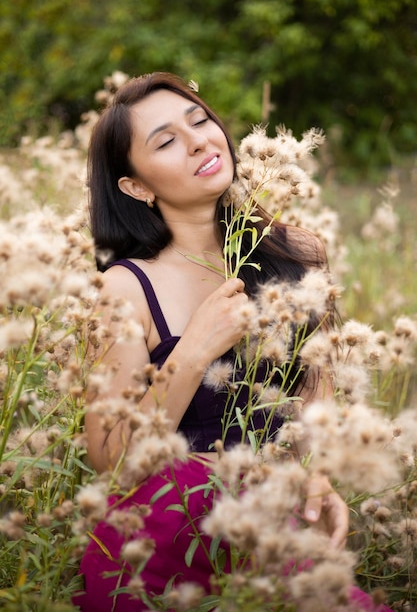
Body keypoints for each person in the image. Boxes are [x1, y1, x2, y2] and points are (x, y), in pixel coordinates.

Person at [73, 73, 391, 612]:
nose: (197, 139)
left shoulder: (298, 253)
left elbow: (316, 396)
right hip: (160, 548)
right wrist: (194, 349)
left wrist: (316, 479)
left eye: (199, 121)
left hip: (271, 531)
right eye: (166, 141)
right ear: (136, 186)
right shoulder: (125, 287)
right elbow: (111, 460)